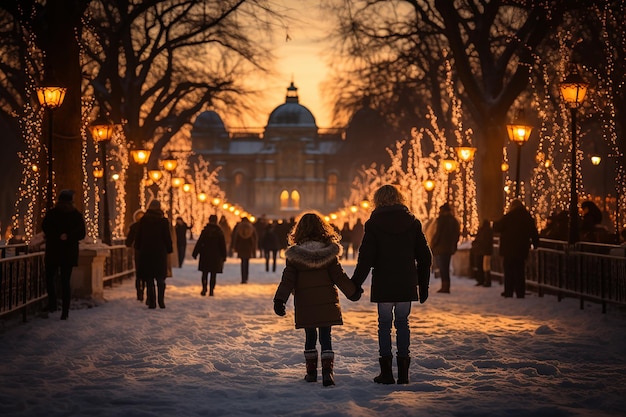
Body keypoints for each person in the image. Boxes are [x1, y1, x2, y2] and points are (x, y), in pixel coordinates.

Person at [351, 184, 432, 385]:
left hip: (384, 282)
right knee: (403, 323)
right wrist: (423, 285)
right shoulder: (413, 222)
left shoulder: (374, 223)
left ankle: (386, 372)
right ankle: (404, 373)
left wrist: (355, 284)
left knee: (384, 325)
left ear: (377, 200)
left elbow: (366, 258)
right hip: (405, 282)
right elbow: (425, 257)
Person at [273, 212, 359, 387]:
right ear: (322, 229)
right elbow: (339, 276)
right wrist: (352, 292)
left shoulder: (295, 255)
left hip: (306, 303)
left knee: (310, 335)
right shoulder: (329, 253)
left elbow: (287, 279)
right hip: (326, 301)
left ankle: (311, 373)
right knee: (326, 336)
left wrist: (280, 300)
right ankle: (328, 373)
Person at [42, 189, 87, 320]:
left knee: (50, 278)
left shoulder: (52, 214)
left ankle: (53, 304)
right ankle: (65, 311)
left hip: (53, 251)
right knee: (65, 281)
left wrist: (57, 236)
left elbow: (45, 227)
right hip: (69, 252)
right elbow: (81, 233)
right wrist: (68, 236)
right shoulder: (76, 215)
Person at [493, 199, 539, 299]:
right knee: (520, 271)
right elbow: (533, 231)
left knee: (509, 271)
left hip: (508, 248)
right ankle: (520, 292)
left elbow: (497, 228)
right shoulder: (527, 217)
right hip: (521, 249)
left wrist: (495, 222)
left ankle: (508, 291)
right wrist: (536, 244)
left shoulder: (509, 216)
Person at [134, 200, 173, 309]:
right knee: (160, 278)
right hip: (160, 253)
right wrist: (169, 249)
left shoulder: (143, 220)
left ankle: (152, 302)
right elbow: (167, 237)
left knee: (149, 278)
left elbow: (138, 236)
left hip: (146, 252)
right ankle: (161, 301)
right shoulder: (163, 221)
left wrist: (138, 247)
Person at [192, 215, 227, 296]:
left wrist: (195, 253)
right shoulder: (219, 232)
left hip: (205, 255)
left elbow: (199, 242)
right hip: (216, 256)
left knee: (205, 273)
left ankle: (204, 288)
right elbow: (222, 245)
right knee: (213, 274)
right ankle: (211, 290)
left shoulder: (205, 231)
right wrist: (224, 256)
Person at [430, 203, 460, 293]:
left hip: (441, 247)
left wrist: (433, 244)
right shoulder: (454, 221)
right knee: (445, 267)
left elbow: (437, 233)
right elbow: (456, 235)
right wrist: (454, 245)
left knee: (443, 268)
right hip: (449, 248)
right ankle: (446, 286)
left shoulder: (441, 220)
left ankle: (445, 286)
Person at [125, 209, 146, 301]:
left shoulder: (133, 227)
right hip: (147, 251)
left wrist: (130, 244)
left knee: (138, 273)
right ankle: (144, 288)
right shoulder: (147, 226)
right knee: (146, 273)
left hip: (138, 251)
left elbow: (128, 242)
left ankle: (139, 292)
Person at [230, 217, 258, 284]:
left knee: (242, 262)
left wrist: (234, 247)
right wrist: (254, 249)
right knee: (247, 262)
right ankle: (246, 277)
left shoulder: (239, 227)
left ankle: (243, 278)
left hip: (241, 247)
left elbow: (235, 237)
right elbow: (255, 238)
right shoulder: (251, 227)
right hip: (248, 247)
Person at [471, 219, 494, 287]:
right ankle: (485, 280)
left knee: (483, 266)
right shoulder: (488, 230)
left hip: (482, 251)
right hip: (485, 251)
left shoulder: (482, 230)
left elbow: (480, 240)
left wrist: (475, 244)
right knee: (485, 266)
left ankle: (483, 280)